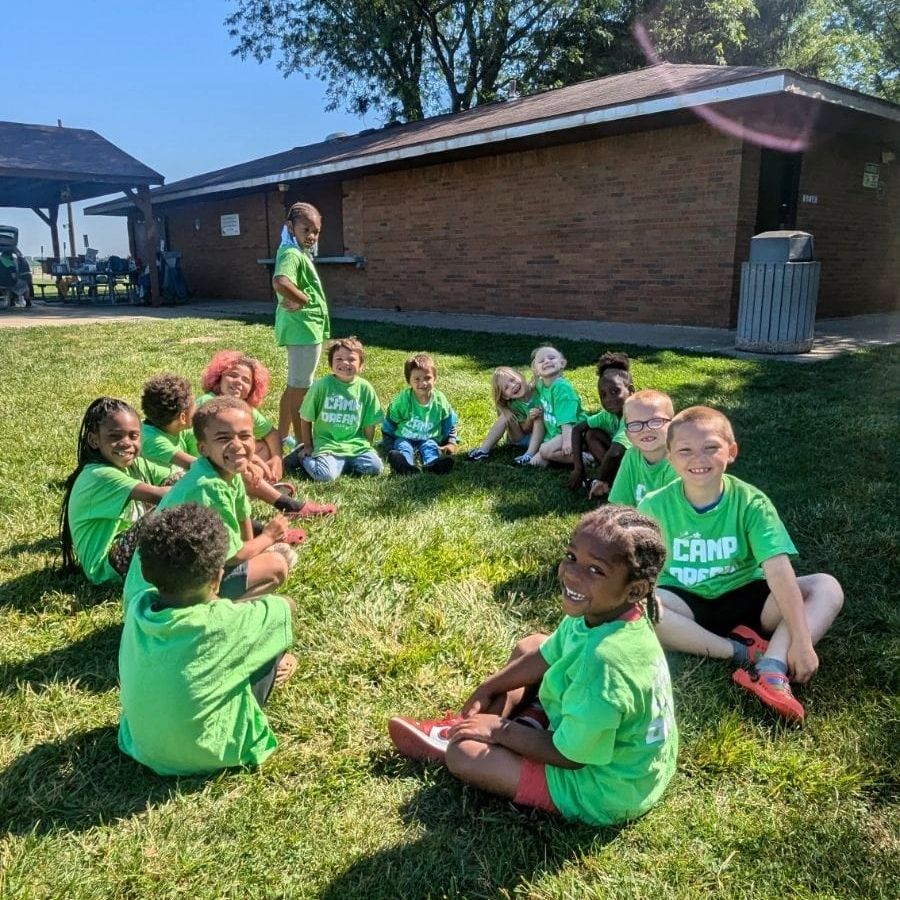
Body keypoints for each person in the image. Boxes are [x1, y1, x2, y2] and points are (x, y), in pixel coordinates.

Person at [388, 505, 678, 826]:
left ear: (635, 589)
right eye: (571, 557)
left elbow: (569, 757)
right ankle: (503, 723)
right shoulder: (607, 614)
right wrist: (491, 686)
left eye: (595, 570)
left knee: (464, 755)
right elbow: (544, 655)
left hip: (604, 789)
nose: (572, 573)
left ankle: (462, 737)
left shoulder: (607, 661)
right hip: (614, 753)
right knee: (533, 644)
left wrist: (499, 730)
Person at [638, 406, 844, 722]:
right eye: (685, 450)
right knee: (641, 606)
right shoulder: (654, 505)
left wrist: (803, 643)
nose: (698, 458)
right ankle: (739, 652)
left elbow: (778, 571)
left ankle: (772, 666)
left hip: (751, 597)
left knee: (825, 586)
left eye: (710, 448)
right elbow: (638, 565)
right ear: (670, 457)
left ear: (731, 451)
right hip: (687, 602)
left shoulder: (751, 502)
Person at [118, 503, 297, 776]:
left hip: (142, 748)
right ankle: (279, 666)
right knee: (267, 635)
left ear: (146, 573)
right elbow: (287, 607)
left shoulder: (138, 608)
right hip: (217, 752)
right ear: (217, 577)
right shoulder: (230, 621)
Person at [124, 397, 298, 607]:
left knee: (275, 557)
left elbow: (243, 519)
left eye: (245, 436)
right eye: (223, 438)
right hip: (158, 597)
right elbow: (234, 556)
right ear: (203, 448)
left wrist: (255, 552)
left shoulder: (226, 471)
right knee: (277, 565)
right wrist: (269, 536)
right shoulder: (208, 486)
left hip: (179, 583)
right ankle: (219, 614)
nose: (237, 445)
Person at [185, 352, 335, 519]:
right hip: (199, 463)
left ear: (252, 389)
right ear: (218, 379)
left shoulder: (244, 408)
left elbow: (272, 433)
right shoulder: (209, 403)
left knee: (264, 446)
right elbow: (217, 447)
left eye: (246, 380)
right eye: (232, 375)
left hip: (223, 461)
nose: (238, 382)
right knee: (242, 459)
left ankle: (254, 489)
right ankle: (287, 504)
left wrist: (277, 460)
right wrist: (251, 461)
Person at [59, 397, 171, 585]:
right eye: (115, 436)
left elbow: (182, 476)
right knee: (172, 509)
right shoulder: (99, 475)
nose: (126, 443)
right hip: (107, 570)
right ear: (94, 440)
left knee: (182, 485)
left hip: (126, 549)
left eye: (133, 436)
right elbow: (168, 496)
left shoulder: (136, 464)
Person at [285, 336, 384, 482]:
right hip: (327, 445)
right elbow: (305, 417)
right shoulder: (321, 386)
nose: (345, 363)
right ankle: (303, 457)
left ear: (361, 365)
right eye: (339, 359)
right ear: (331, 364)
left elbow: (370, 424)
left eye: (351, 359)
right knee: (326, 476)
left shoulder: (365, 388)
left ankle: (342, 464)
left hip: (355, 445)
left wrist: (367, 447)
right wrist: (307, 445)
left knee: (375, 467)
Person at [272, 202, 331, 448]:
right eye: (305, 230)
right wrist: (303, 299)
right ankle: (302, 442)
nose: (311, 236)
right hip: (303, 330)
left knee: (294, 384)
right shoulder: (291, 254)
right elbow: (281, 282)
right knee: (301, 388)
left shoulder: (296, 252)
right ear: (290, 227)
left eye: (315, 231)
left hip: (303, 329)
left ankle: (282, 435)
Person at [382, 353, 459, 475]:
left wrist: (450, 442)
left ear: (435, 378)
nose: (423, 383)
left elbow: (450, 422)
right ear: (409, 381)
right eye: (417, 379)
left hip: (428, 437)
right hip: (405, 436)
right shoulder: (402, 401)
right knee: (403, 447)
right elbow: (389, 423)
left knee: (430, 448)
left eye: (427, 378)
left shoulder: (440, 401)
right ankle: (405, 466)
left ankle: (433, 465)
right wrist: (389, 445)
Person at [570, 352, 635, 495]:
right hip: (624, 463)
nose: (609, 399)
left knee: (615, 450)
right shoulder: (608, 415)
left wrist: (599, 480)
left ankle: (608, 483)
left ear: (630, 391)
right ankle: (613, 479)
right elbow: (577, 429)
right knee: (591, 434)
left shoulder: (634, 415)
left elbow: (615, 453)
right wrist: (578, 469)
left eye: (614, 391)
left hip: (640, 467)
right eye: (603, 395)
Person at [606, 390, 678, 507]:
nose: (646, 429)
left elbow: (675, 517)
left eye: (655, 422)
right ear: (628, 435)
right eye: (635, 424)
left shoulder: (680, 462)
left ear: (673, 427)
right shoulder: (631, 456)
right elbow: (619, 506)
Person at [467, 366, 544, 464]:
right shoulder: (514, 405)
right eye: (506, 387)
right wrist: (529, 419)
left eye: (512, 380)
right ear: (506, 396)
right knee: (505, 416)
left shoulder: (538, 390)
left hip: (544, 436)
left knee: (538, 417)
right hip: (523, 438)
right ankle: (483, 450)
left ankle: (529, 455)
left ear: (521, 375)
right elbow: (525, 429)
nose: (512, 386)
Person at [527, 345, 586, 468]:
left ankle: (586, 458)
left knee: (545, 451)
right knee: (535, 464)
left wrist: (567, 441)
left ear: (562, 363)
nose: (547, 361)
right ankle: (561, 458)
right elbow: (531, 387)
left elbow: (567, 421)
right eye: (541, 361)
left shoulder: (562, 389)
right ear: (536, 370)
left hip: (573, 431)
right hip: (555, 434)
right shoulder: (542, 385)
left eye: (552, 358)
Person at [139, 373, 197, 472]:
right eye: (194, 404)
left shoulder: (173, 428)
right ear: (183, 418)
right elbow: (197, 466)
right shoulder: (152, 440)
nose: (197, 409)